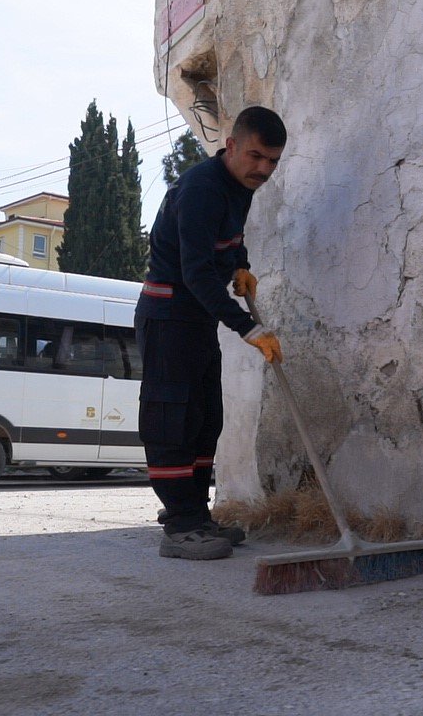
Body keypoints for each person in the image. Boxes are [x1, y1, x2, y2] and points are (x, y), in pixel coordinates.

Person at [136, 106, 286, 560]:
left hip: (195, 317)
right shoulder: (203, 189)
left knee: (205, 419)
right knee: (173, 421)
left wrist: (241, 265)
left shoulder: (240, 185)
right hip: (169, 315)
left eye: (273, 161)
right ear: (232, 145)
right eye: (256, 156)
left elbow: (229, 237)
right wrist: (248, 327)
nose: (263, 169)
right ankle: (180, 528)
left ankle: (197, 517)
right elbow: (197, 273)